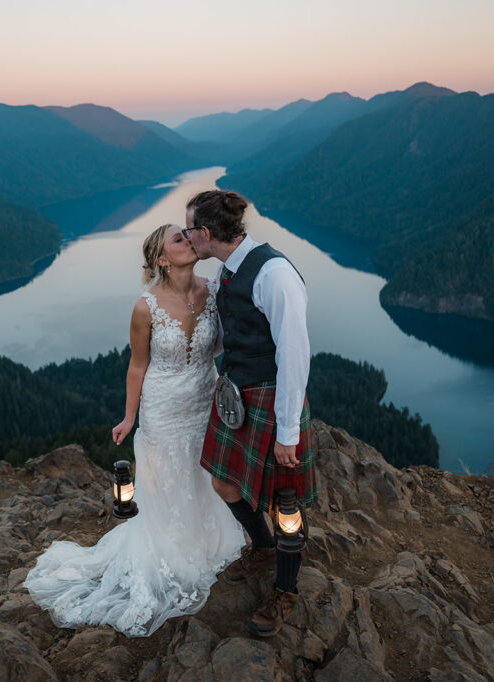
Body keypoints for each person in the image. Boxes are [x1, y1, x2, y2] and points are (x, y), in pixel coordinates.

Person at [23, 224, 244, 637]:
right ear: (162, 259)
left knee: (202, 473)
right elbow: (138, 365)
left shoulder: (214, 289)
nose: (188, 240)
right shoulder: (145, 307)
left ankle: (205, 542)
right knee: (168, 478)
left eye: (186, 234)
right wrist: (128, 418)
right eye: (178, 239)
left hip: (204, 399)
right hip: (162, 407)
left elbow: (230, 343)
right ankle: (171, 554)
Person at [183, 190, 316, 637]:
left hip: (273, 401)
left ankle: (286, 589)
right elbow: (230, 335)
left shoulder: (273, 272)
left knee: (285, 502)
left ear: (205, 234)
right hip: (238, 394)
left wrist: (288, 432)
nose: (186, 238)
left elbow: (295, 354)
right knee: (223, 481)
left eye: (188, 231)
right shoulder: (228, 269)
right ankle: (261, 547)